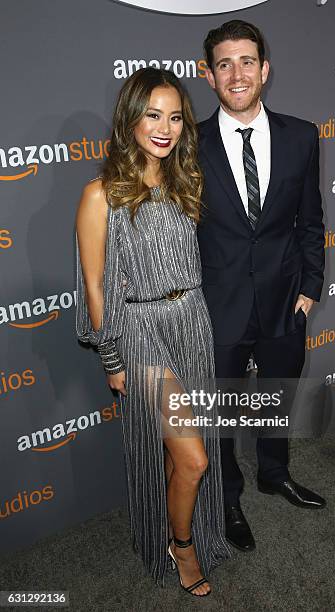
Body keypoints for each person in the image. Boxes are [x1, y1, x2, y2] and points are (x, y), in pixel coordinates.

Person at [75, 67, 230, 595]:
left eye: (174, 117)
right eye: (152, 115)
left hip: (191, 320)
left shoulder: (184, 180)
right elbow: (94, 286)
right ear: (130, 118)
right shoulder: (101, 194)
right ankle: (181, 548)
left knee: (178, 452)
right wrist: (111, 359)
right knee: (194, 457)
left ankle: (174, 527)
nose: (164, 128)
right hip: (140, 330)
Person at [197, 20, 326, 552]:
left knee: (277, 396)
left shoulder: (302, 135)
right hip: (217, 305)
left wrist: (310, 288)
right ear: (208, 76)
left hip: (283, 302)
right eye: (224, 64)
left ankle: (274, 472)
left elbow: (310, 221)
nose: (237, 73)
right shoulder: (188, 143)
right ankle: (228, 495)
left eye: (247, 61)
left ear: (265, 69)